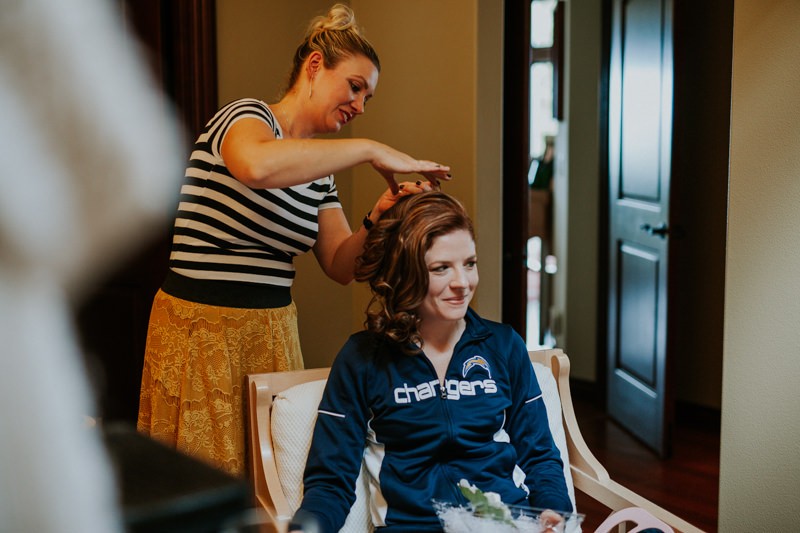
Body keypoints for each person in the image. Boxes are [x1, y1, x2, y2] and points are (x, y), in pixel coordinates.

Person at [137, 3, 450, 477]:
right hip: (204, 332)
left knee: (269, 488)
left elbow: (342, 266)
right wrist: (370, 149)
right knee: (201, 483)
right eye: (355, 87)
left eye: (368, 98)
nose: (360, 106)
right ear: (315, 66)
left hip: (271, 333)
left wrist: (376, 217)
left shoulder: (317, 174)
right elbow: (257, 167)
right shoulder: (244, 119)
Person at [290, 191, 572, 532]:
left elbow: (540, 455)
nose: (462, 284)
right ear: (404, 273)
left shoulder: (503, 346)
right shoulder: (363, 359)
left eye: (470, 263)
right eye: (441, 268)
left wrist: (554, 513)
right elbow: (330, 481)